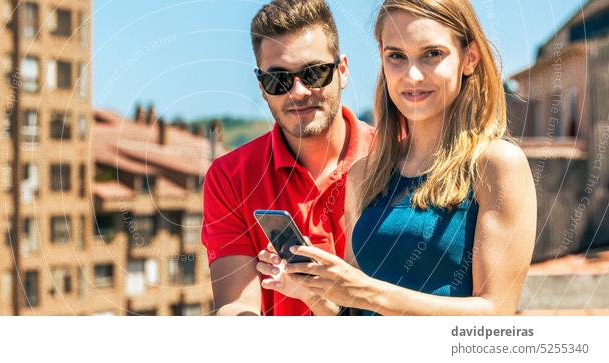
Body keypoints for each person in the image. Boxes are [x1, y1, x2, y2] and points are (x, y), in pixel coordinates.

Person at [257, 0, 537, 315]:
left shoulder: (497, 164)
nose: (412, 75)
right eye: (396, 57)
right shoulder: (366, 173)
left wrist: (366, 292)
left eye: (432, 54)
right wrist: (312, 292)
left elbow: (496, 314)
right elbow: (354, 316)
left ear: (469, 58)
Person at [201, 0, 374, 316]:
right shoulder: (230, 176)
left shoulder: (397, 158)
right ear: (262, 87)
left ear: (343, 70)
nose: (297, 92)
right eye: (278, 80)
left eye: (314, 73)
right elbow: (237, 304)